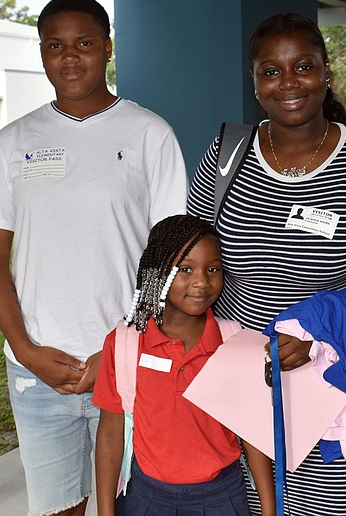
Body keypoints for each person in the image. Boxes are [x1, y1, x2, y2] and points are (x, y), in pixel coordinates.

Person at [0, 0, 187, 516]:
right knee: (59, 508)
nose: (69, 57)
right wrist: (26, 348)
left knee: (134, 503)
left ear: (107, 47)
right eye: (54, 45)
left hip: (129, 361)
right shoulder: (13, 141)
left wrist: (123, 347)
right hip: (38, 368)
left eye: (84, 43)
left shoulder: (149, 132)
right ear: (41, 53)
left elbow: (168, 254)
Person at [187, 12, 346, 515]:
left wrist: (320, 335)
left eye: (303, 66)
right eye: (270, 71)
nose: (288, 83)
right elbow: (191, 256)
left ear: (326, 73)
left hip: (333, 387)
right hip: (238, 391)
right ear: (254, 81)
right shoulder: (227, 153)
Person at [93, 215, 272, 516]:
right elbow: (110, 434)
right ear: (156, 272)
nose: (202, 281)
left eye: (213, 269)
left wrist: (269, 509)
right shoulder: (124, 343)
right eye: (185, 269)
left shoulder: (235, 343)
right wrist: (105, 511)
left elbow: (252, 436)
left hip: (222, 497)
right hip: (147, 498)